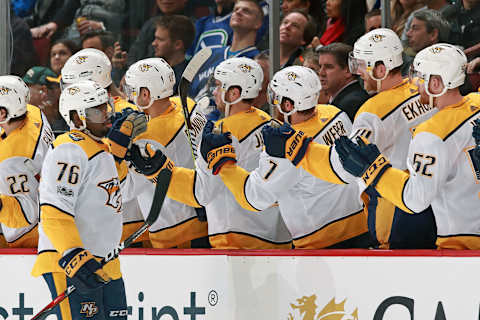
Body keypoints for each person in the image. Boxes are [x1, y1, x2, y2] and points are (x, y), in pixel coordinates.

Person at [262, 28, 438, 249]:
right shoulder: (423, 89)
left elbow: (345, 167)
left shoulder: (373, 110)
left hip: (398, 209)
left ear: (381, 69)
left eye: (362, 66)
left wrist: (296, 148)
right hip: (436, 200)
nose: (358, 73)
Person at [133, 57, 293, 249]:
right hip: (278, 237)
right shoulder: (270, 123)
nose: (215, 92)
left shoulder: (221, 134)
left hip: (237, 240)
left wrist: (159, 172)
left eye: (219, 87)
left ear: (234, 93)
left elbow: (201, 193)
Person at [203, 66, 369, 248]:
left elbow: (254, 197)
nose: (272, 104)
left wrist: (224, 163)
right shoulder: (335, 114)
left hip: (321, 244)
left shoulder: (284, 147)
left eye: (275, 98)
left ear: (288, 105)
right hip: (362, 227)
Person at [335, 43, 480, 249]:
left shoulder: (430, 134)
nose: (414, 84)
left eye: (420, 78)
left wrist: (375, 171)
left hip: (460, 243)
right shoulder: (477, 101)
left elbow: (416, 199)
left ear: (436, 84)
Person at [31, 80, 143, 320]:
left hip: (103, 261)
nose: (105, 115)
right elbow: (54, 211)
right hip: (71, 262)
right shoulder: (68, 150)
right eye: (96, 111)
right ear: (77, 117)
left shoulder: (101, 148)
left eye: (105, 108)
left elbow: (113, 195)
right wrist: (73, 255)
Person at [60, 48, 150, 246]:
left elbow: (129, 181)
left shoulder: (114, 117)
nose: (67, 93)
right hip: (115, 223)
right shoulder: (123, 110)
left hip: (124, 226)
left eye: (71, 87)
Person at [123, 58, 209, 248]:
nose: (128, 98)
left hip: (173, 232)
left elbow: (126, 191)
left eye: (132, 91)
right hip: (204, 220)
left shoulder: (144, 137)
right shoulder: (188, 104)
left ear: (145, 94)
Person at [0, 75, 54, 247]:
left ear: (3, 113)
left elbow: (27, 213)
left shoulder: (13, 160)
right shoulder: (34, 112)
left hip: (29, 238)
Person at [190, 0, 264, 101]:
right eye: (235, 9)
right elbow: (191, 91)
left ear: (258, 23)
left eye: (246, 11)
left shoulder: (255, 61)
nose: (238, 12)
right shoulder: (211, 54)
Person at [317, 43, 369, 120]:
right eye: (320, 66)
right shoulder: (341, 99)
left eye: (328, 67)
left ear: (348, 71)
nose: (321, 73)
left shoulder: (352, 103)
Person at [151, 15, 195, 95]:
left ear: (178, 45)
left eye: (160, 39)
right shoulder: (153, 70)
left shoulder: (189, 77)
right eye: (155, 38)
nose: (154, 43)